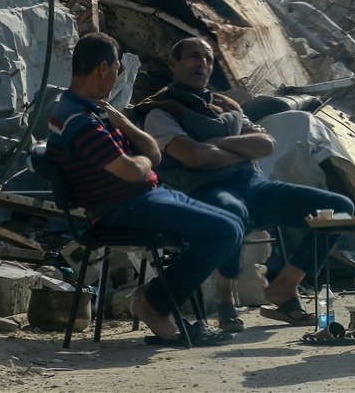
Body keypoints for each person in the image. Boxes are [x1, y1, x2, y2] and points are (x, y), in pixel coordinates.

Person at [136, 37, 355, 330]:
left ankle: (284, 287)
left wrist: (215, 143)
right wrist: (234, 150)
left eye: (208, 59)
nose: (202, 64)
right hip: (207, 190)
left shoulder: (226, 105)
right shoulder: (160, 111)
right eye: (193, 56)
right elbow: (193, 156)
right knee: (231, 216)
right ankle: (225, 295)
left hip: (254, 185)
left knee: (339, 207)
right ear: (173, 63)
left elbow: (265, 144)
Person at [47, 33, 244, 343]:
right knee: (223, 232)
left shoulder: (97, 111)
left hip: (145, 197)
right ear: (102, 68)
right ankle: (155, 304)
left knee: (234, 224)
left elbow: (154, 153)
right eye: (117, 68)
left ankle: (155, 296)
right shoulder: (76, 119)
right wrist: (142, 163)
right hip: (122, 210)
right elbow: (132, 170)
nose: (116, 76)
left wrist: (125, 126)